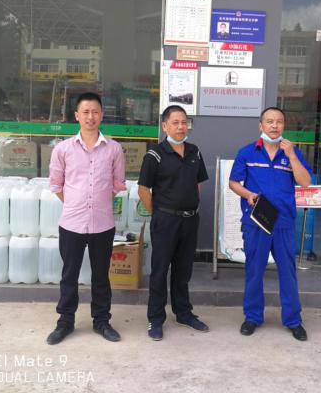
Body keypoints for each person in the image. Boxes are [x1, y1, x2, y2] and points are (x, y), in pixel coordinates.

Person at [46, 92, 126, 345]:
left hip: (103, 224)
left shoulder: (114, 149)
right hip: (72, 223)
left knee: (101, 276)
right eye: (86, 112)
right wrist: (76, 203)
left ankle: (101, 321)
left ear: (101, 115)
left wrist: (97, 203)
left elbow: (117, 184)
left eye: (95, 112)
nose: (90, 117)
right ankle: (65, 322)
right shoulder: (63, 149)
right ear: (77, 116)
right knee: (69, 275)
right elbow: (56, 184)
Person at [228, 107, 312, 341]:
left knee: (288, 272)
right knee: (254, 270)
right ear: (261, 125)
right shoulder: (247, 152)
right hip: (257, 221)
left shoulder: (292, 152)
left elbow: (305, 182)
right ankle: (252, 317)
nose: (274, 126)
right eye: (269, 121)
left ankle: (293, 320)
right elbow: (233, 182)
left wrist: (292, 155)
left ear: (284, 126)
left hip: (284, 222)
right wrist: (248, 194)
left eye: (279, 122)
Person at [138, 105, 209, 341]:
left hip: (190, 221)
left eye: (184, 122)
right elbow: (143, 190)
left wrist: (190, 206)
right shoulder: (155, 155)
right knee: (159, 271)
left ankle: (183, 313)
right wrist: (159, 214)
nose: (181, 127)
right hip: (165, 221)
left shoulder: (194, 151)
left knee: (183, 270)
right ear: (165, 126)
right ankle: (156, 318)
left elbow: (198, 183)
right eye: (175, 122)